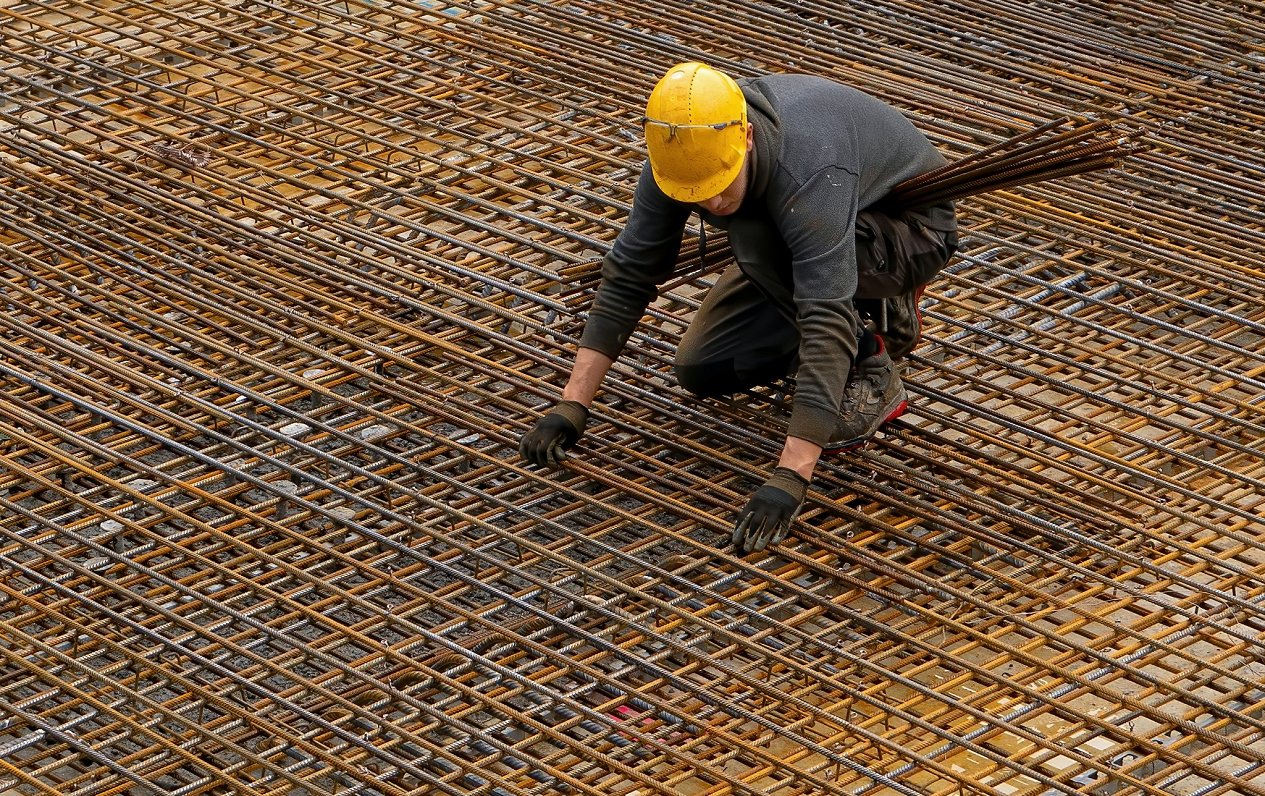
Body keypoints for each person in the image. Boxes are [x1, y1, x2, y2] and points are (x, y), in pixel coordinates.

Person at [519, 62, 958, 554]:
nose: (710, 201)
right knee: (703, 369)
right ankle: (863, 303)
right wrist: (571, 404)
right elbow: (630, 272)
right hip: (801, 234)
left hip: (908, 231)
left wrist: (790, 476)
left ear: (746, 137)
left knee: (754, 233)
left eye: (719, 184)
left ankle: (872, 356)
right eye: (696, 195)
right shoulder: (678, 154)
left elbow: (823, 316)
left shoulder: (808, 168)